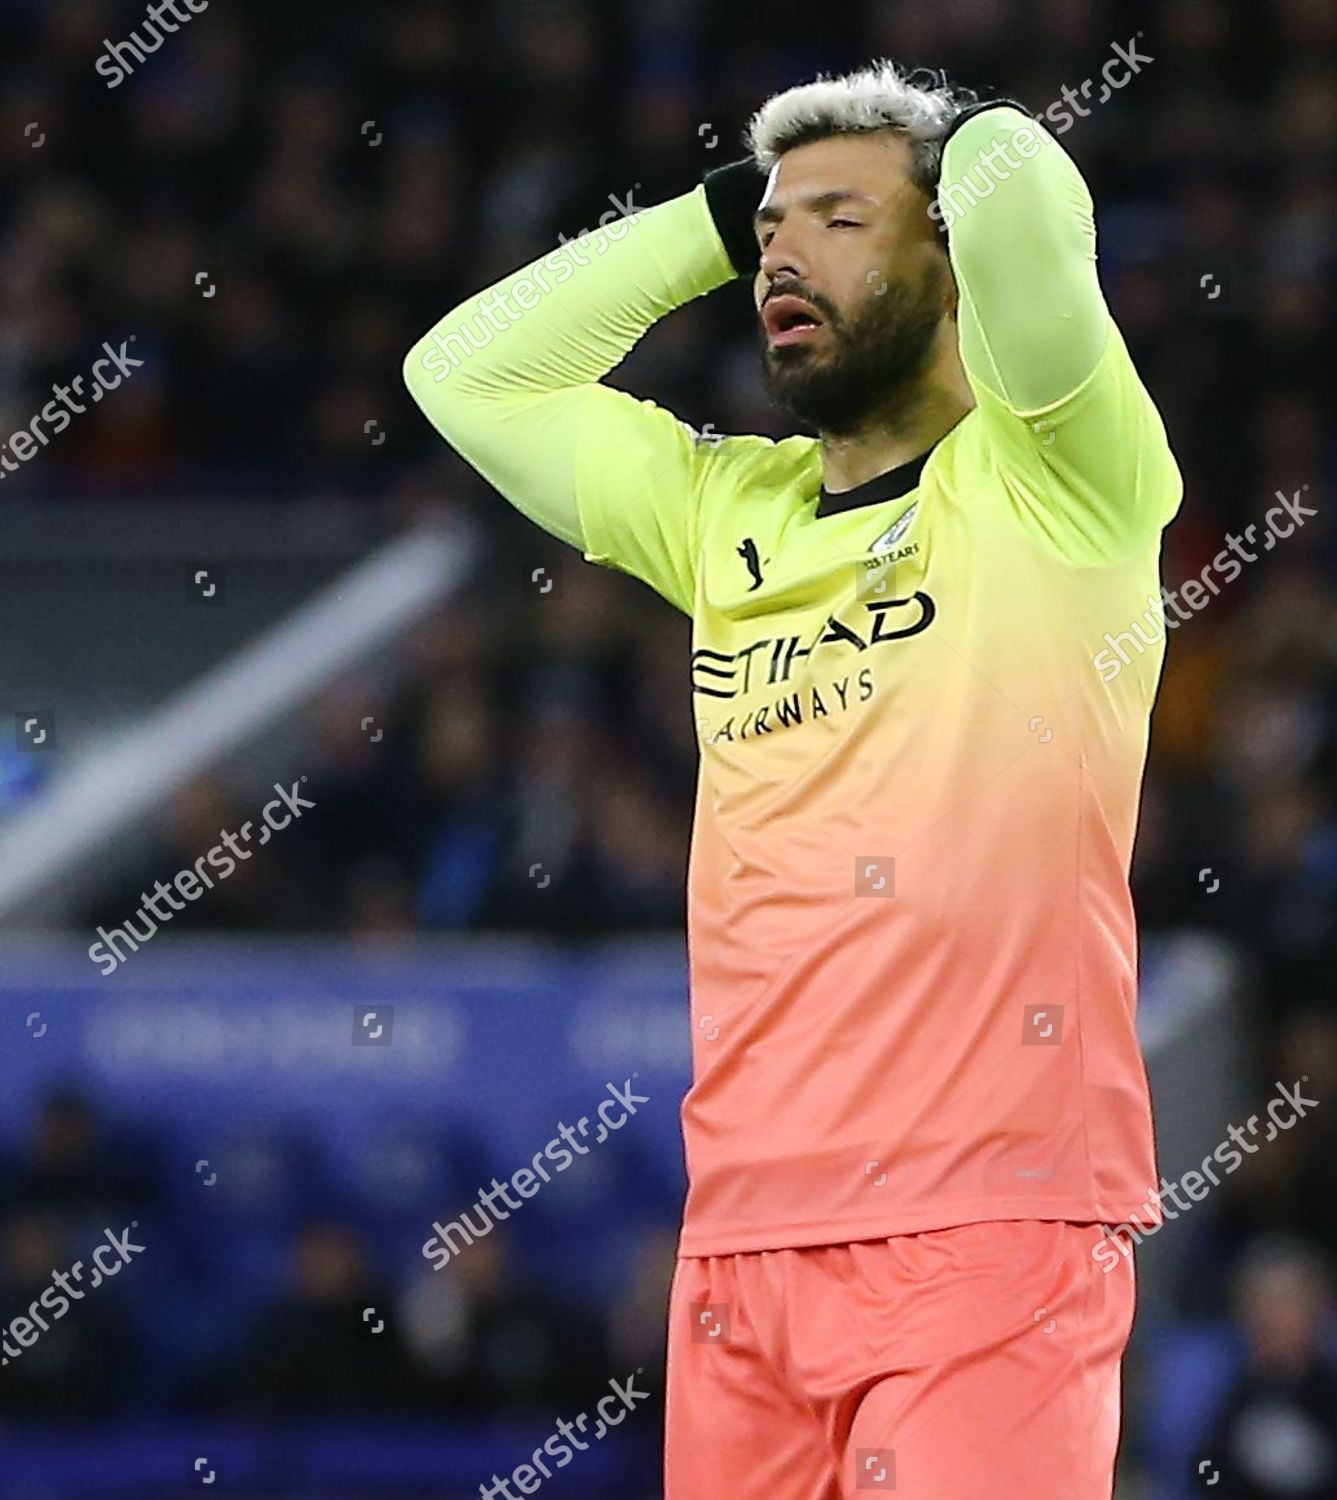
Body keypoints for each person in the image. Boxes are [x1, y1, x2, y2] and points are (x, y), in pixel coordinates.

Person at [406, 58, 1181, 1500]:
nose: (781, 253)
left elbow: (1017, 173)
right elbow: (462, 373)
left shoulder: (1062, 480)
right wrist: (717, 219)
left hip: (985, 1218)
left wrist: (919, 143)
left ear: (949, 255)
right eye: (768, 230)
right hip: (741, 1242)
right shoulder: (728, 512)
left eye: (837, 220)